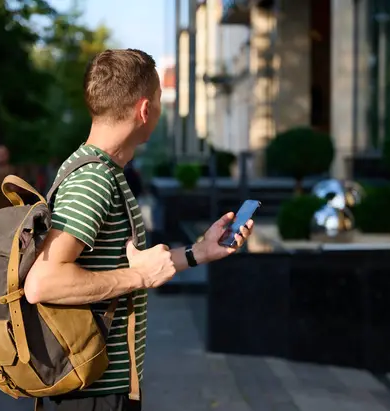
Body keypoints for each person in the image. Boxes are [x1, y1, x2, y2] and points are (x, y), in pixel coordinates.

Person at [24, 49, 254, 411]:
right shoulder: (94, 180)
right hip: (92, 396)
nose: (160, 112)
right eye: (160, 101)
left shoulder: (104, 171)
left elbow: (133, 264)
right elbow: (42, 283)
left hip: (103, 389)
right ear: (145, 110)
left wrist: (199, 252)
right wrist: (137, 277)